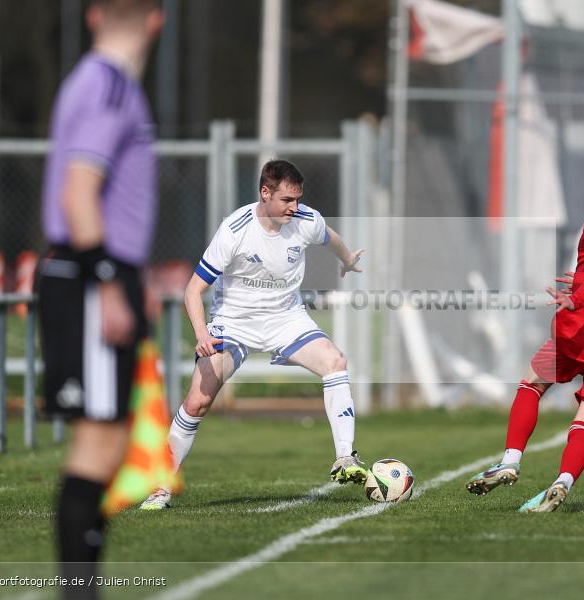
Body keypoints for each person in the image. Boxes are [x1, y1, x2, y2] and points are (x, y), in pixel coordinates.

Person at [140, 159, 366, 510]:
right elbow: (192, 290)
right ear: (265, 192)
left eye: (297, 199)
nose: (295, 207)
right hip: (234, 322)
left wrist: (348, 258)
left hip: (286, 319)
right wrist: (201, 333)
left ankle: (345, 459)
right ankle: (160, 488)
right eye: (287, 200)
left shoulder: (306, 220)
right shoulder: (235, 230)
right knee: (197, 402)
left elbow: (329, 237)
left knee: (335, 362)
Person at [36, 0, 163, 593]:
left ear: (93, 15)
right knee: (96, 443)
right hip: (91, 276)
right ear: (157, 21)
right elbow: (78, 196)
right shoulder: (111, 86)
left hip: (98, 271)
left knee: (107, 442)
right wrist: (114, 284)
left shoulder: (92, 82)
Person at [466, 137, 584, 513]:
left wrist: (579, 296)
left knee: (532, 383)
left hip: (581, 330)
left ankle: (510, 461)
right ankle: (561, 483)